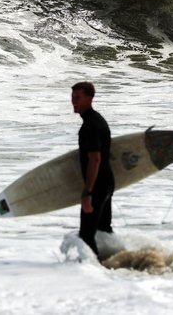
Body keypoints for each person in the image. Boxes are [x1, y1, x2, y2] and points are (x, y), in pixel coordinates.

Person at [71, 82, 115, 258]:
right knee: (103, 230)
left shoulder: (90, 125)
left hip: (97, 186)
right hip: (107, 182)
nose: (74, 102)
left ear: (90, 98)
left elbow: (95, 159)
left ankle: (98, 274)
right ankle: (115, 263)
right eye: (72, 98)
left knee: (87, 235)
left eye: (77, 98)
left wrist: (88, 192)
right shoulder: (98, 120)